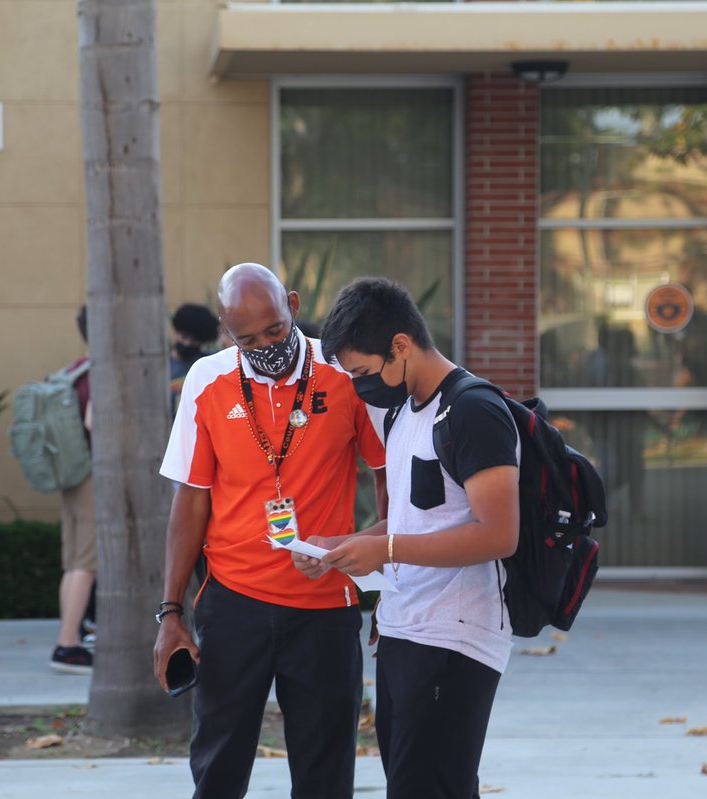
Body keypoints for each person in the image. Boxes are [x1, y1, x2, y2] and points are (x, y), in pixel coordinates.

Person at [154, 262, 387, 799]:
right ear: (224, 330)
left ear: (295, 308)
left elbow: (385, 479)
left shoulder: (342, 371)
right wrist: (170, 612)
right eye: (247, 337)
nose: (265, 345)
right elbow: (190, 500)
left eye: (276, 330)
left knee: (325, 776)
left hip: (326, 604)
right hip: (234, 604)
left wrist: (385, 580)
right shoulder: (206, 379)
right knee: (217, 770)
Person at [296, 277, 520, 799]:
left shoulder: (473, 410)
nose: (359, 388)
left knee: (433, 786)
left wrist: (387, 550)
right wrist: (343, 544)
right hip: (405, 630)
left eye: (362, 373)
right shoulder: (402, 411)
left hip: (455, 638)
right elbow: (413, 523)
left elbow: (499, 533)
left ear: (401, 345)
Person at [50, 305, 98, 675]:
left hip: (71, 473)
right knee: (87, 561)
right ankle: (67, 645)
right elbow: (93, 421)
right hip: (93, 474)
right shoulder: (100, 371)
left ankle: (72, 636)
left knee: (73, 561)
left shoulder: (73, 369)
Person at [170, 303, 221, 415]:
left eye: (194, 340)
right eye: (184, 337)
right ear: (175, 332)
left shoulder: (209, 364)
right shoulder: (162, 367)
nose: (188, 343)